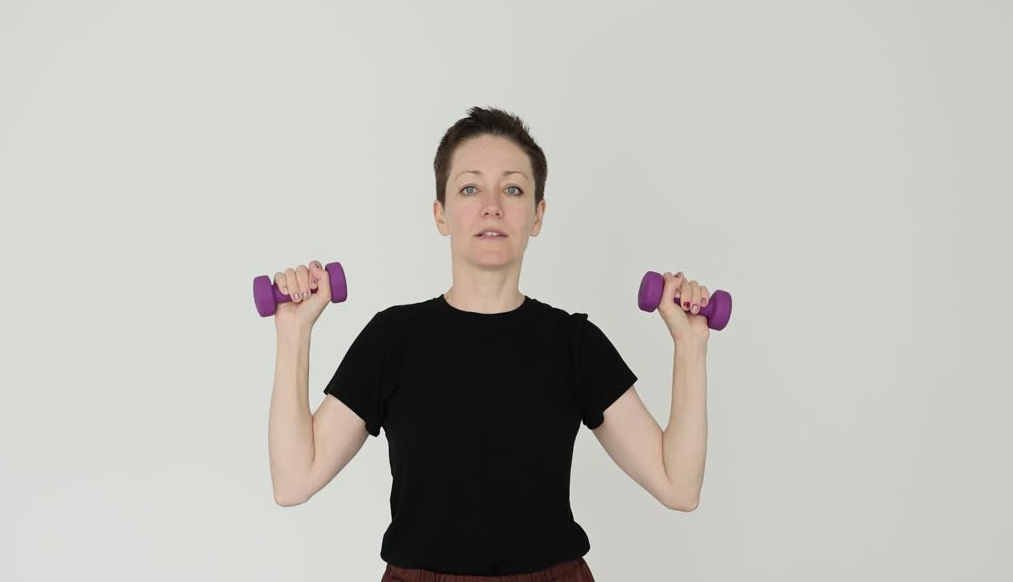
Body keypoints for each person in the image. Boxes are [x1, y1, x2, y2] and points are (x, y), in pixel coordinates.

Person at [268, 107, 712, 581]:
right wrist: (294, 332)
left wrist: (690, 347)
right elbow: (294, 480)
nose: (492, 206)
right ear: (440, 214)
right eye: (470, 188)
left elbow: (678, 486)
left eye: (513, 189)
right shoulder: (393, 338)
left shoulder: (574, 344)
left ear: (538, 214)